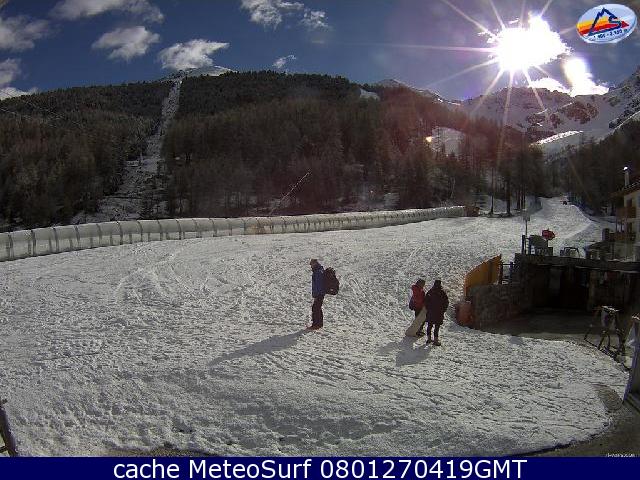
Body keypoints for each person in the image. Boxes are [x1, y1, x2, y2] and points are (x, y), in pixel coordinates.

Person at [424, 279, 449, 345]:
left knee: (429, 326)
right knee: (437, 327)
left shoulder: (430, 292)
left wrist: (428, 309)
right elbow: (446, 302)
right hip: (439, 313)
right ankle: (435, 341)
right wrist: (443, 310)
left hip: (431, 312)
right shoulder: (442, 292)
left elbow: (426, 301)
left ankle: (429, 339)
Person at [309, 259, 325, 330]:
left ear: (315, 263)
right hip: (320, 293)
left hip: (319, 293)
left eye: (311, 264)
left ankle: (316, 325)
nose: (310, 266)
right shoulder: (319, 270)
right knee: (317, 308)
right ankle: (319, 324)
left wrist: (316, 295)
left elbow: (318, 285)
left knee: (315, 309)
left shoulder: (318, 272)